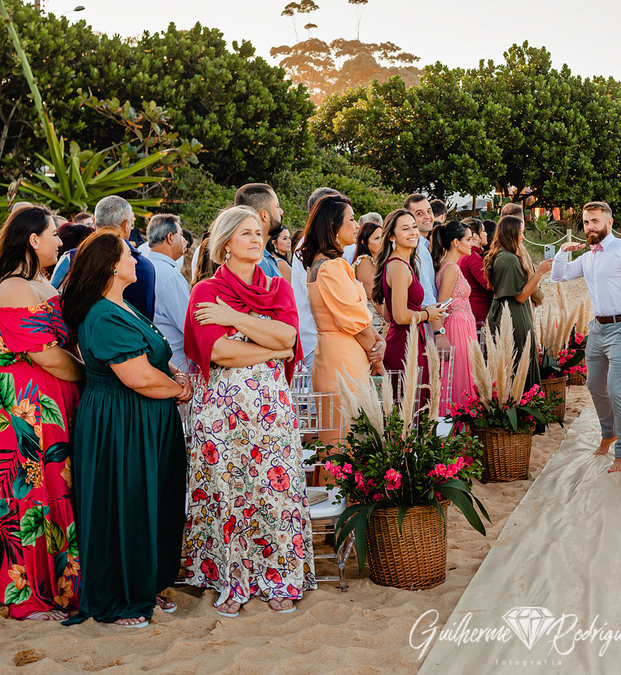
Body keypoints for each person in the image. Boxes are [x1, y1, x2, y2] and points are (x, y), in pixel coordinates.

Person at [183, 206, 313, 616]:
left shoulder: (278, 288)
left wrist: (233, 317)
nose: (257, 239)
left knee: (274, 494)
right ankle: (233, 580)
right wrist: (272, 348)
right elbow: (220, 352)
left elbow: (290, 337)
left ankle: (279, 578)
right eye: (246, 233)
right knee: (229, 494)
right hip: (222, 414)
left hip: (272, 411)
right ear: (225, 244)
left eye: (259, 232)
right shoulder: (205, 291)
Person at [61, 231, 191, 628]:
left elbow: (154, 353)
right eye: (128, 254)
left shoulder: (124, 306)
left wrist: (175, 375)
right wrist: (178, 390)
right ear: (112, 267)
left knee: (152, 502)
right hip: (120, 422)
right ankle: (120, 598)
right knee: (126, 504)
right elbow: (137, 376)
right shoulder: (102, 314)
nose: (137, 259)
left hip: (145, 418)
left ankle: (145, 583)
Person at [0, 207, 83, 620]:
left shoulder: (40, 281)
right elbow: (46, 355)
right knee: (32, 492)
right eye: (53, 234)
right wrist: (90, 376)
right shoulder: (12, 288)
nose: (60, 241)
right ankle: (30, 596)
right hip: (28, 405)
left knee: (59, 485)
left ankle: (64, 586)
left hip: (54, 399)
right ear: (33, 240)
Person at [552, 202, 621, 473]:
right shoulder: (588, 258)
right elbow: (559, 275)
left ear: (609, 222)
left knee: (618, 390)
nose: (590, 227)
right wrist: (562, 252)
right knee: (595, 385)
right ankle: (608, 433)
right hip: (597, 329)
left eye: (595, 221)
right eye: (586, 222)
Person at [302, 195, 385, 437]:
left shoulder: (320, 264)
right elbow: (354, 321)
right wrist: (377, 355)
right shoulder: (332, 267)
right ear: (333, 225)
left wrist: (378, 339)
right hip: (345, 357)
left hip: (330, 353)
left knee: (337, 435)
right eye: (351, 219)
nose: (357, 225)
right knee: (349, 436)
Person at [372, 210, 447, 390]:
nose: (413, 232)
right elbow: (399, 316)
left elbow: (388, 314)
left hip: (411, 338)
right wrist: (427, 314)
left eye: (414, 227)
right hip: (403, 343)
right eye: (405, 229)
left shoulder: (403, 264)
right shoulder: (398, 266)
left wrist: (426, 311)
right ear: (392, 236)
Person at [51, 196, 156, 320]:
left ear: (95, 221)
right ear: (125, 225)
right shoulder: (145, 266)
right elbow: (147, 316)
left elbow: (52, 302)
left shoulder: (72, 258)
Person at [485, 216, 551, 393]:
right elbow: (520, 296)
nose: (522, 237)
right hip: (514, 316)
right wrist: (540, 272)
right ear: (511, 234)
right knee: (520, 364)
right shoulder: (509, 259)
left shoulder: (501, 254)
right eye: (520, 233)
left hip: (505, 312)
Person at [291, 187, 342, 371]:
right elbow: (326, 299)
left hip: (326, 341)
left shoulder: (327, 246)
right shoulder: (309, 246)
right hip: (316, 341)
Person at [434, 221, 478, 414]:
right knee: (457, 374)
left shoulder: (450, 266)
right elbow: (441, 305)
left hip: (463, 325)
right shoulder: (451, 268)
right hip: (457, 328)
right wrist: (441, 335)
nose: (472, 244)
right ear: (455, 242)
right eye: (468, 239)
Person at [146, 214, 191, 372]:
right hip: (177, 367)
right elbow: (189, 326)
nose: (184, 240)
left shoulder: (145, 266)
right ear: (170, 237)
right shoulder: (170, 277)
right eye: (181, 234)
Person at [234, 183, 287, 281]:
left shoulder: (256, 255)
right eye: (277, 206)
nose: (281, 211)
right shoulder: (257, 261)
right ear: (264, 215)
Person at [458, 217, 494, 328]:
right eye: (483, 231)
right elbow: (488, 284)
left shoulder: (465, 255)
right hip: (478, 310)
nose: (486, 234)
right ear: (475, 236)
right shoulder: (472, 257)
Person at [405, 194, 439, 308]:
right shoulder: (417, 248)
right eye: (420, 213)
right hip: (426, 312)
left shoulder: (424, 244)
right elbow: (425, 290)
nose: (427, 217)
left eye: (429, 211)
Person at [352, 220, 384, 304]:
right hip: (373, 310)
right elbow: (373, 296)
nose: (382, 241)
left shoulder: (378, 260)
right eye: (377, 238)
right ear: (363, 242)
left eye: (383, 237)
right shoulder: (364, 261)